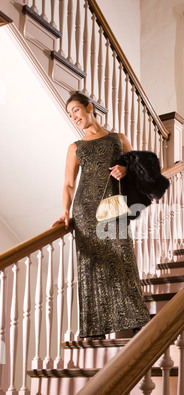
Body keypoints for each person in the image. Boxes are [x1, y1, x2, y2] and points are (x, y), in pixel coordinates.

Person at [52, 91, 150, 339]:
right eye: (69, 114)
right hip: (85, 212)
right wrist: (65, 211)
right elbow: (68, 184)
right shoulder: (75, 148)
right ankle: (95, 329)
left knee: (123, 259)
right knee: (92, 268)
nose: (74, 117)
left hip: (114, 207)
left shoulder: (118, 138)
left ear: (88, 108)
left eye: (76, 110)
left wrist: (126, 168)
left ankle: (137, 321)